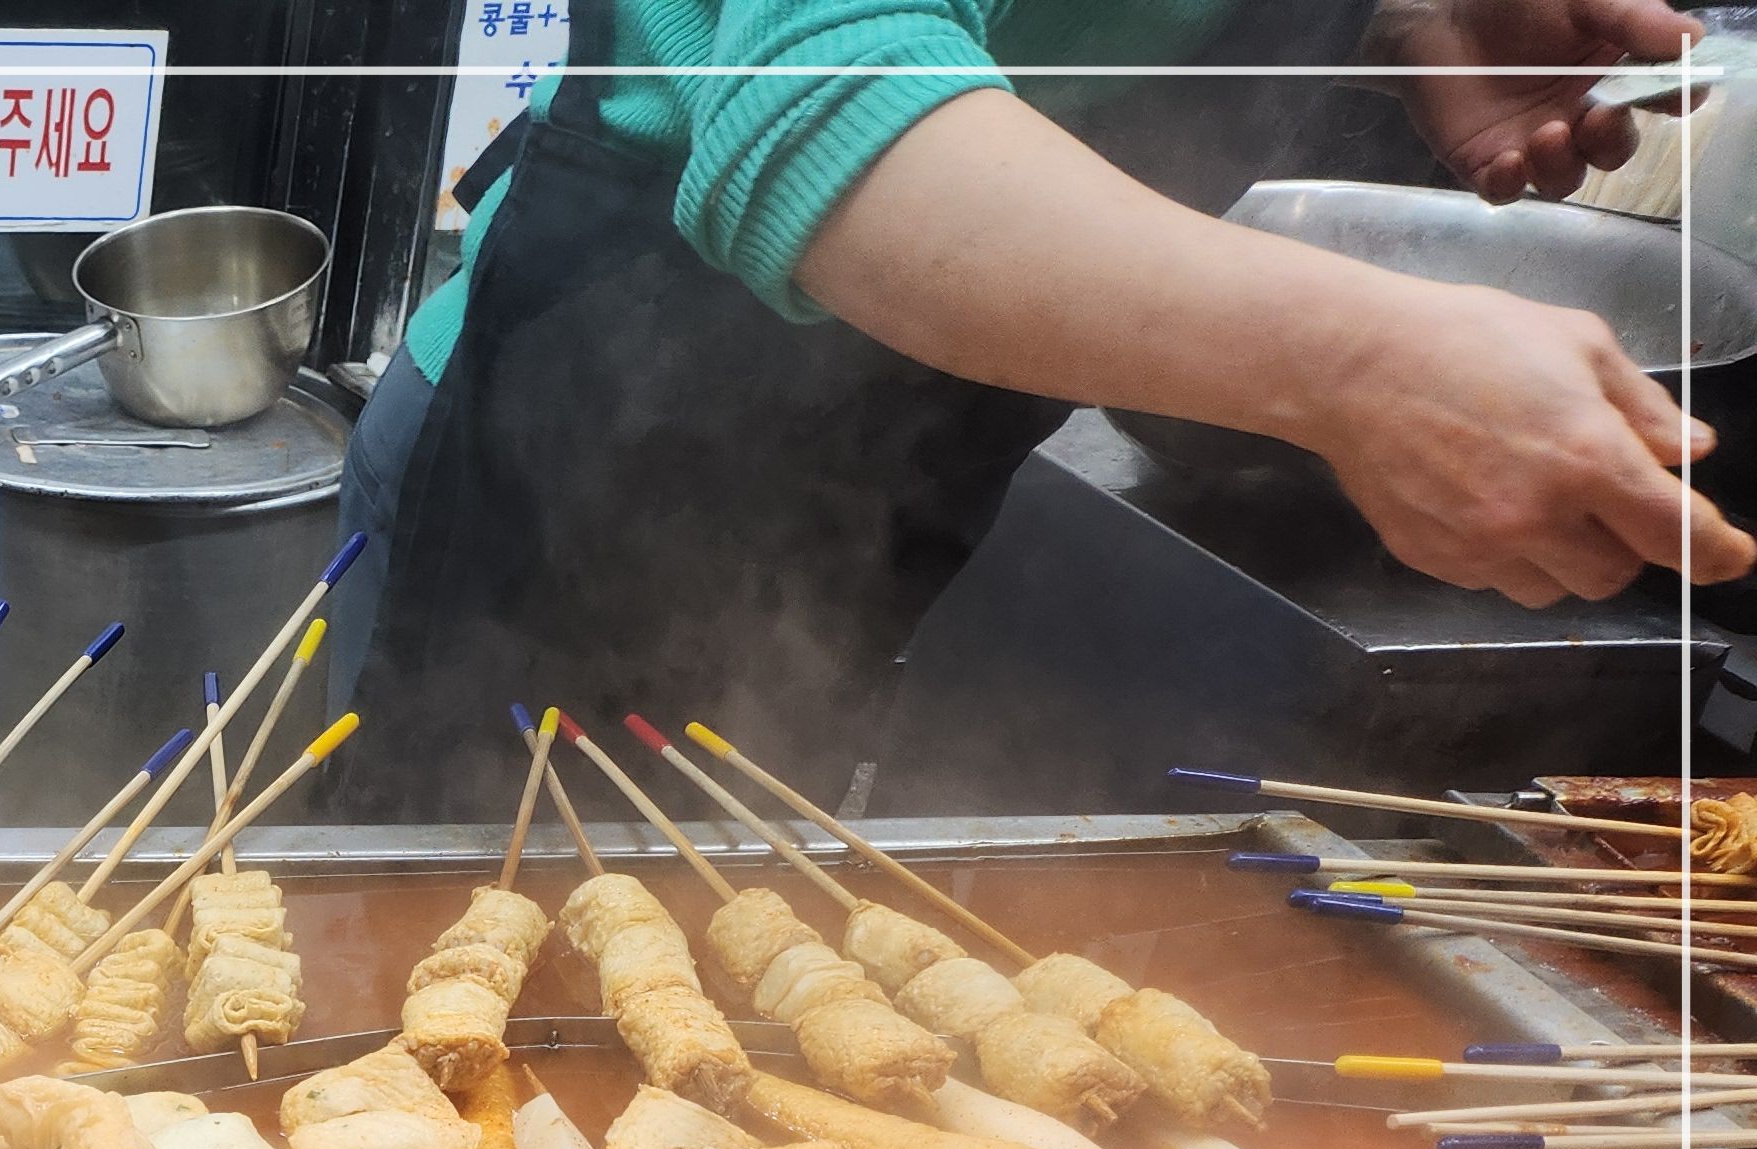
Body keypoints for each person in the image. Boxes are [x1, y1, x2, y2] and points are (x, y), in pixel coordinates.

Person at [338, 0, 1756, 815]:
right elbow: (827, 106)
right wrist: (1360, 366)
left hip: (859, 517)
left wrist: (1409, 10)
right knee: (441, 1055)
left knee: (716, 1005)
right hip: (576, 483)